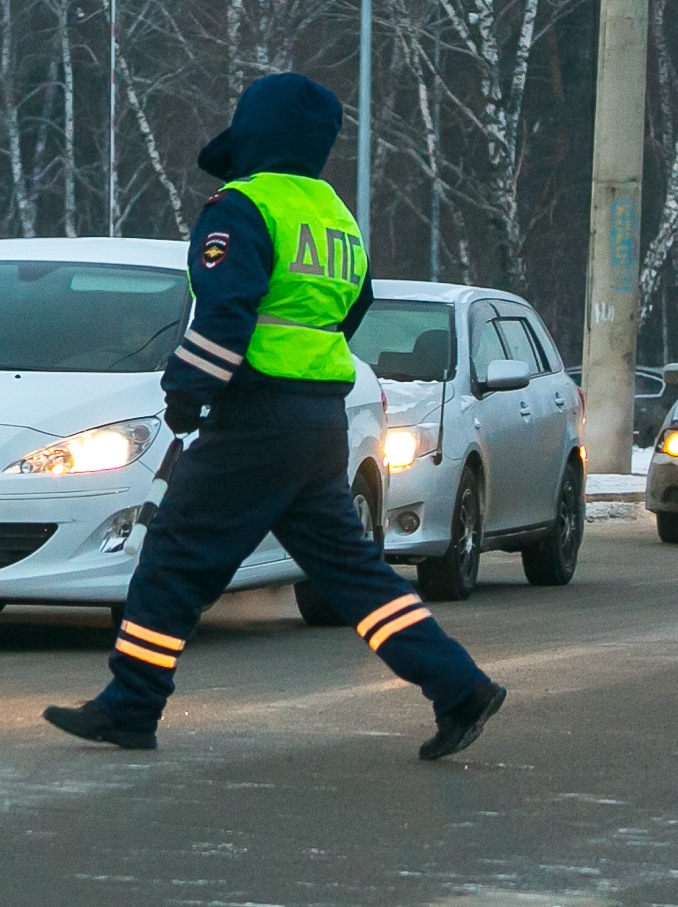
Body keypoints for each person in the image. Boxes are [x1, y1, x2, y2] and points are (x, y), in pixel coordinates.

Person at [43, 73, 506, 761]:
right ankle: (457, 684)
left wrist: (188, 388)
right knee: (354, 576)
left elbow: (226, 312)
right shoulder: (334, 216)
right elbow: (353, 308)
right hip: (320, 422)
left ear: (253, 131)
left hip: (255, 419)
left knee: (172, 558)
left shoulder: (242, 206)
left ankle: (132, 704)